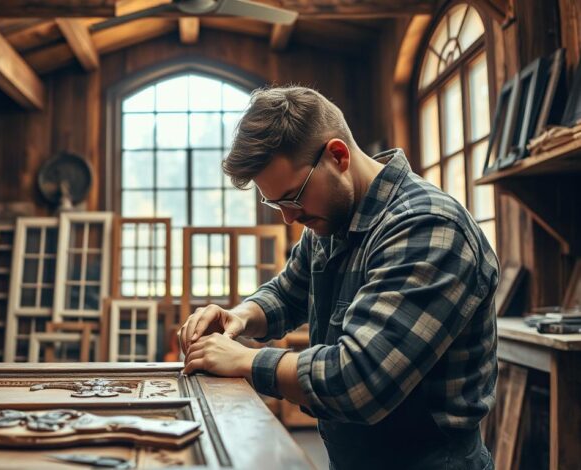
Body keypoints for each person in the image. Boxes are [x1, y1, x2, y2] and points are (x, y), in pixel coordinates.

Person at [179, 86, 498, 470]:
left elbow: (358, 379)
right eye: (276, 203)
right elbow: (288, 292)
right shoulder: (331, 222)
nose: (288, 217)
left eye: (293, 196)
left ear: (338, 155)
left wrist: (246, 360)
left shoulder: (427, 227)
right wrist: (242, 316)